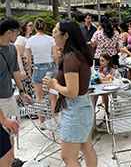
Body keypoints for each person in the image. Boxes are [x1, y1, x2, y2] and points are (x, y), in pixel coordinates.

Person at [43, 18, 97, 167]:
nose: (53, 35)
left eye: (55, 32)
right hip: (82, 107)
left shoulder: (71, 58)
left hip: (75, 110)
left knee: (67, 156)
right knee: (87, 148)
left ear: (66, 35)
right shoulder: (77, 54)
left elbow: (72, 92)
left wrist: (54, 84)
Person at [0, 16, 30, 167]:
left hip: (10, 96)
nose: (17, 35)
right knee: (2, 134)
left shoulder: (11, 48)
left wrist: (22, 91)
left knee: (11, 130)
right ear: (8, 32)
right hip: (0, 101)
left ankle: (12, 160)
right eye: (16, 32)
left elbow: (15, 70)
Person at [25, 18, 58, 124]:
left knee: (40, 97)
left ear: (34, 28)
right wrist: (57, 67)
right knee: (53, 96)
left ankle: (42, 122)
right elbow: (56, 56)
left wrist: (30, 74)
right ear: (45, 27)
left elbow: (28, 60)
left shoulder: (29, 41)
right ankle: (56, 120)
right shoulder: (50, 39)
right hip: (51, 67)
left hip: (37, 69)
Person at [14, 19, 36, 101]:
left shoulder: (33, 38)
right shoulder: (20, 39)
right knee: (29, 88)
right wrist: (22, 70)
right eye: (29, 25)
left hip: (34, 64)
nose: (31, 27)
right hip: (25, 64)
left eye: (32, 26)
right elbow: (18, 55)